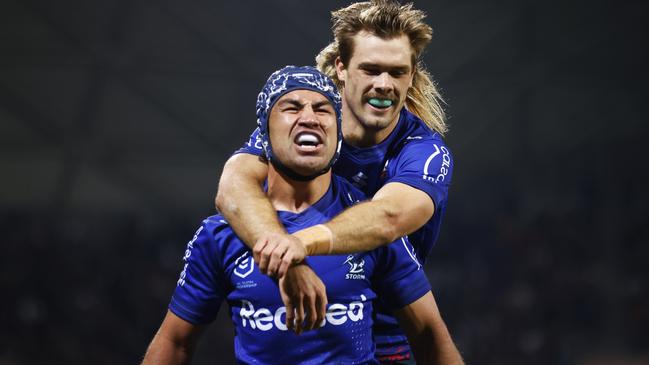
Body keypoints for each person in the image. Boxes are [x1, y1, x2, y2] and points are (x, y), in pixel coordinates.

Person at [141, 66, 459, 365]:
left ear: (337, 137)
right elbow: (175, 343)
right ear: (263, 134)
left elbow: (431, 337)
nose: (309, 117)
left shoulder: (367, 225)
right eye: (292, 108)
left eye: (323, 110)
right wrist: (289, 260)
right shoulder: (220, 235)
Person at [215, 1, 458, 363]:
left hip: (385, 338)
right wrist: (289, 258)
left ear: (411, 76)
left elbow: (388, 217)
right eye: (371, 69)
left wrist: (296, 247)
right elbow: (233, 186)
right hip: (290, 321)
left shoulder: (424, 152)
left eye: (396, 72)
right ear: (342, 69)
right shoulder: (308, 127)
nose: (384, 84)